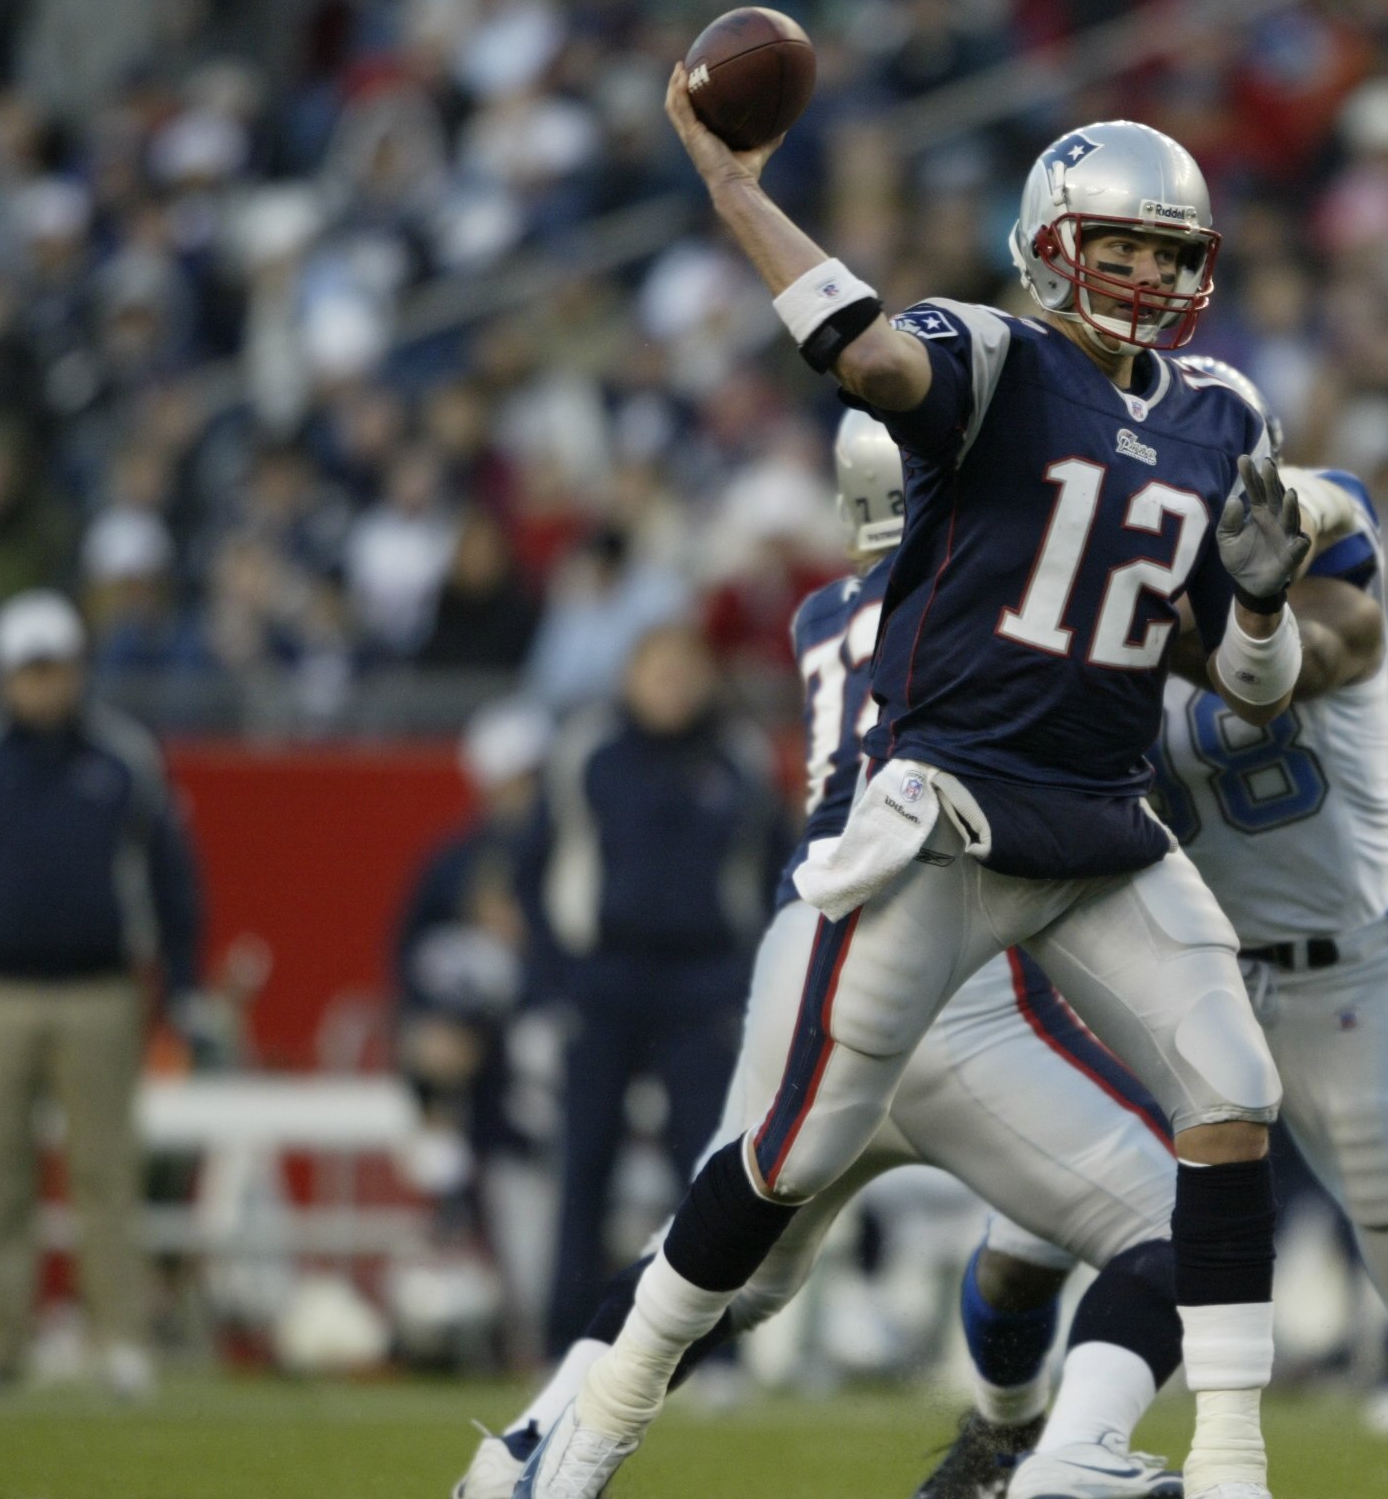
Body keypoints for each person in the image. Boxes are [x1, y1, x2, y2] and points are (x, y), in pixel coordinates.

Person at [520, 81, 1313, 1499]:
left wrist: (1259, 610)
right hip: (950, 816)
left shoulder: (1220, 414)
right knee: (778, 1163)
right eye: (1117, 246)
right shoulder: (997, 357)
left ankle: (1236, 1467)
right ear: (1051, 242)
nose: (1143, 277)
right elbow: (870, 358)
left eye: (1166, 254)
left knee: (1235, 1090)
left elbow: (1248, 683)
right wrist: (737, 189)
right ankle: (590, 1432)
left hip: (1103, 824)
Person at [458, 414, 1181, 1499]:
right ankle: (1062, 1461)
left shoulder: (820, 614)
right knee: (1190, 1222)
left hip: (807, 949)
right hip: (944, 973)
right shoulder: (999, 599)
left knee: (711, 1269)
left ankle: (530, 1443)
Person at [996, 358, 1388, 1499]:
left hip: (1335, 983)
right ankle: (1010, 1445)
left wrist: (1191, 596)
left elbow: (1301, 633)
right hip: (1177, 972)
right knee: (1070, 1232)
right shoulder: (1098, 609)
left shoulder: (1329, 600)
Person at [0, 590, 202, 1401]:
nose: (44, 686)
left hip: (101, 992)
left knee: (106, 1173)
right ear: (5, 675)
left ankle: (119, 1339)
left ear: (78, 669)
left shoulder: (124, 757)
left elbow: (173, 879)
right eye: (30, 671)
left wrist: (180, 983)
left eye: (56, 669)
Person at [518, 619, 783, 1356]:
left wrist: (748, 984)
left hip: (705, 984)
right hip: (603, 977)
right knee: (584, 1166)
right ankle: (563, 1344)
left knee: (710, 1176)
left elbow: (777, 877)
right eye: (656, 669)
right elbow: (534, 870)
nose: (670, 684)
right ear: (630, 675)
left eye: (684, 669)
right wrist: (551, 986)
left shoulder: (739, 756)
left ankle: (712, 1352)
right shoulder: (586, 750)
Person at [391, 700, 551, 1256]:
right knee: (439, 1038)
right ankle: (450, 1190)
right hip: (468, 1048)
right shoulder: (453, 862)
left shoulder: (566, 857)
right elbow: (411, 956)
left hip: (540, 1039)